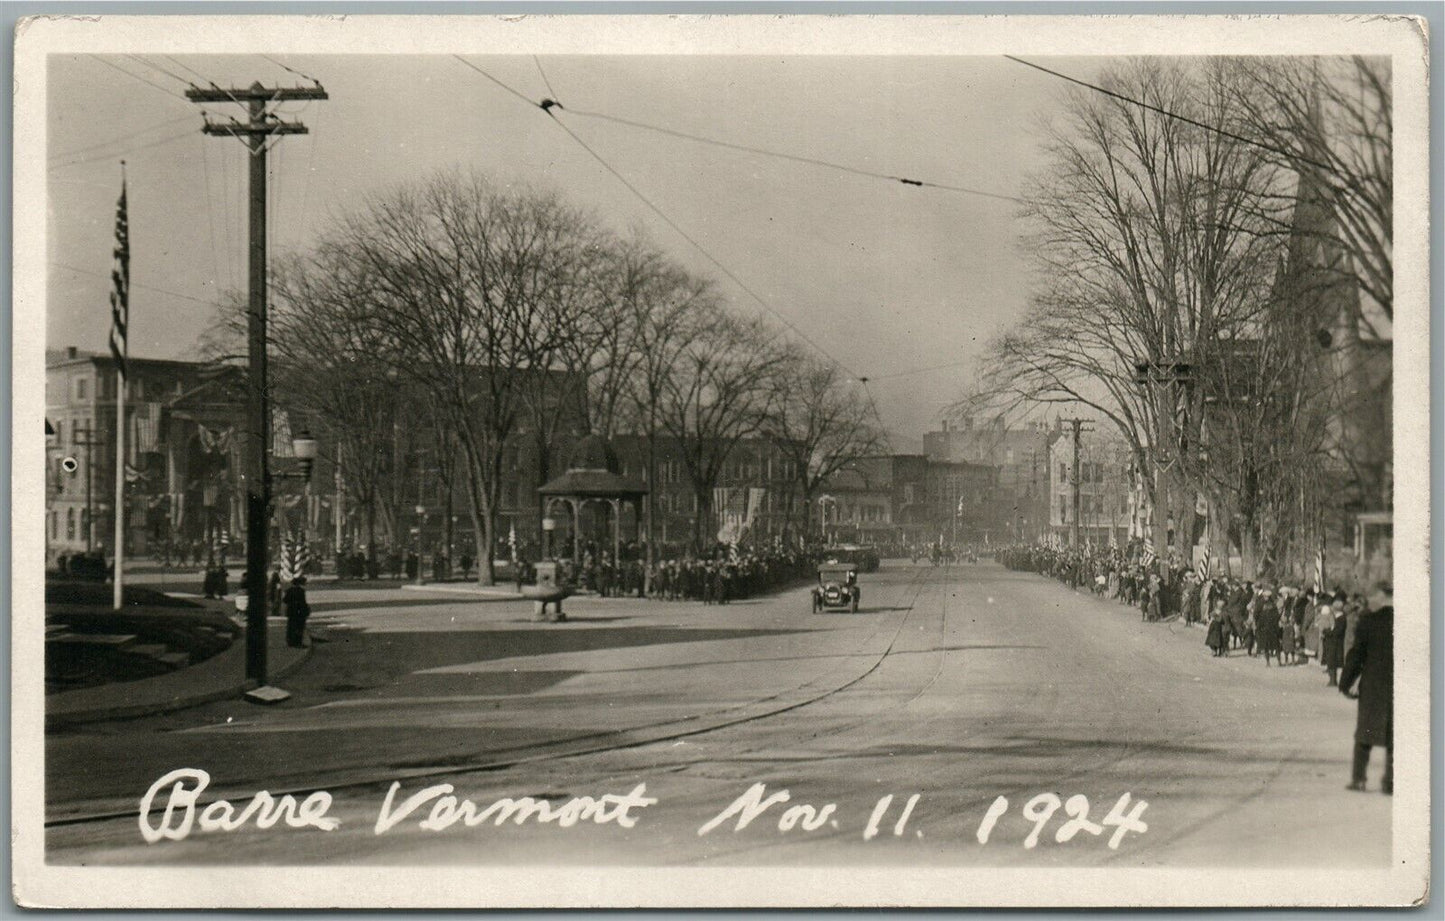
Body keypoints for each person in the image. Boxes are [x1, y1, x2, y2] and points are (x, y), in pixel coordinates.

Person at [1339, 582, 1393, 794]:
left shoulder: (1368, 622)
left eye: (1373, 596)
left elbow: (1356, 656)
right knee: (1395, 735)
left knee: (1364, 733)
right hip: (1400, 688)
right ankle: (1391, 781)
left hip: (1373, 687)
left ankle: (1359, 778)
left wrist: (1345, 683)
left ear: (1381, 597)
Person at [283, 576, 312, 648]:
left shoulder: (289, 590)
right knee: (299, 627)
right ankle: (298, 642)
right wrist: (306, 611)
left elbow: (285, 600)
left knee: (291, 627)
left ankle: (290, 642)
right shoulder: (301, 591)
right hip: (299, 612)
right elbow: (303, 602)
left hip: (291, 612)